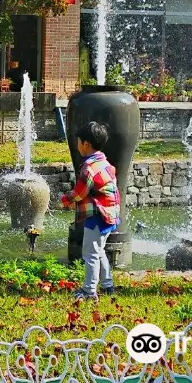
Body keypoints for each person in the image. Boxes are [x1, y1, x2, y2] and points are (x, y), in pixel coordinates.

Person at [61, 122, 120, 302]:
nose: (77, 144)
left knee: (90, 254)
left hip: (98, 215)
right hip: (110, 213)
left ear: (86, 144)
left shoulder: (89, 168)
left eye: (78, 141)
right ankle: (108, 285)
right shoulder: (104, 162)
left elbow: (79, 193)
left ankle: (88, 291)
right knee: (99, 251)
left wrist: (65, 199)